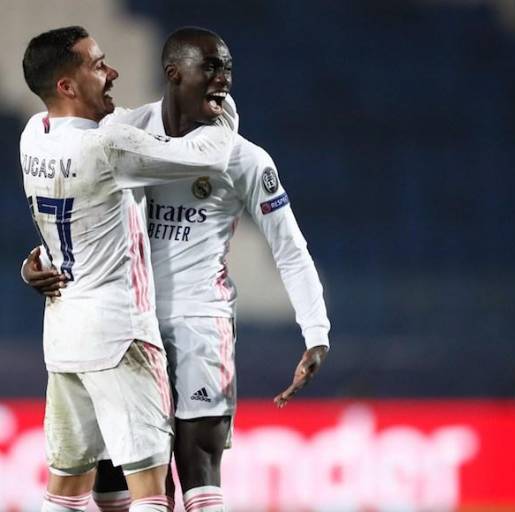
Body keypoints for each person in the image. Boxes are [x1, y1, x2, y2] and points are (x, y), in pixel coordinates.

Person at [24, 27, 331, 512]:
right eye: (210, 68)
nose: (223, 80)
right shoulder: (126, 133)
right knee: (117, 484)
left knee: (198, 470)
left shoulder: (250, 161)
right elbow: (80, 204)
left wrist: (316, 330)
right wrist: (37, 260)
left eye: (227, 69)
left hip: (198, 321)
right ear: (173, 73)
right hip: (125, 324)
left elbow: (291, 249)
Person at [20, 26, 238, 512]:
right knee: (150, 491)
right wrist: (220, 108)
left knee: (66, 490)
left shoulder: (33, 134)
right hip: (122, 337)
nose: (111, 71)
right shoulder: (108, 147)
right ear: (67, 86)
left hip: (64, 338)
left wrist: (28, 266)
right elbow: (213, 156)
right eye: (97, 65)